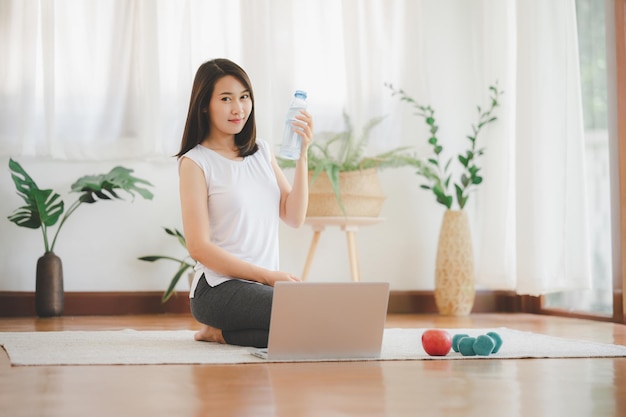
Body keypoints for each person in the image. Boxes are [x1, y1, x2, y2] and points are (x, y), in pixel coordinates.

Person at [176, 59, 313, 348]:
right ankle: (216, 327)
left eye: (244, 97)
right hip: (217, 289)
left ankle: (219, 334)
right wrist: (267, 277)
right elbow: (198, 247)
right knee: (304, 316)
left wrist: (303, 156)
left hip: (262, 288)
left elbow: (294, 216)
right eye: (226, 99)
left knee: (310, 326)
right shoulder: (196, 163)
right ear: (204, 105)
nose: (238, 108)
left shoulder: (261, 152)